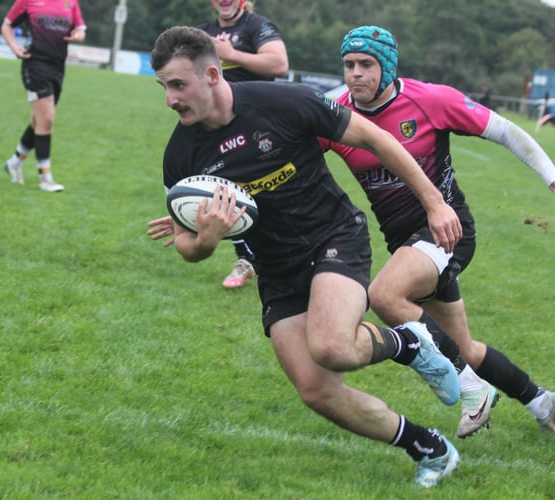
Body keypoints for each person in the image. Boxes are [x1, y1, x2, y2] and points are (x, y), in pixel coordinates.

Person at [149, 26, 464, 487]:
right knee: (316, 390)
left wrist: (435, 203)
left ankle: (408, 343)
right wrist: (207, 240)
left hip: (333, 236)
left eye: (178, 85)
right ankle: (430, 449)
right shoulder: (180, 156)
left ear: (213, 75)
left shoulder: (284, 103)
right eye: (164, 87)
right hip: (276, 269)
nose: (170, 99)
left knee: (333, 346)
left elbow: (376, 140)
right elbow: (185, 246)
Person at [321, 25, 555, 436]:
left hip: (449, 230)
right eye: (349, 65)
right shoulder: (335, 112)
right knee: (465, 348)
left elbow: (505, 130)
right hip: (405, 244)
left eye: (366, 64)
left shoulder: (429, 99)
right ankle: (547, 404)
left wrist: (554, 178)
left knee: (383, 294)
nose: (355, 74)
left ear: (387, 66)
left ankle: (473, 390)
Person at [198, 0, 289, 288]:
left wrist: (231, 54)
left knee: (268, 192)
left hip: (259, 124)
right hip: (215, 128)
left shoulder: (257, 26)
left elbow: (279, 64)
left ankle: (282, 256)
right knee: (222, 189)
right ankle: (247, 258)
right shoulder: (203, 33)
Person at [0, 0, 86, 192]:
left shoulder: (70, 2)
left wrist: (77, 36)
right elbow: (7, 24)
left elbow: (80, 30)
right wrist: (14, 47)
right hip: (34, 65)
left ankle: (13, 164)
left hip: (57, 68)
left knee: (38, 121)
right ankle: (45, 178)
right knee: (46, 119)